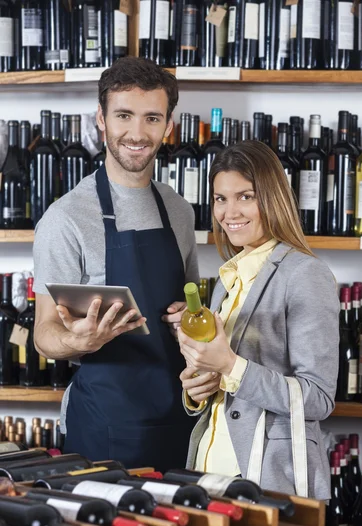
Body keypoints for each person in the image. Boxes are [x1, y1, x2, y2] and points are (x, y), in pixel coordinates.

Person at [33, 57, 198, 470]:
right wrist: (79, 342)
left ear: (169, 125)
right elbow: (44, 335)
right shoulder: (66, 218)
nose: (137, 133)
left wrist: (190, 320)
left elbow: (191, 308)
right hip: (104, 424)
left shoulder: (178, 210)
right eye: (124, 115)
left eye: (152, 118)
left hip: (180, 417)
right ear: (101, 120)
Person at [178, 140, 339, 499]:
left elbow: (318, 398)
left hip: (268, 479)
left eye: (245, 196)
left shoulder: (304, 275)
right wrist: (197, 389)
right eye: (220, 198)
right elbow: (224, 385)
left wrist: (231, 367)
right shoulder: (227, 280)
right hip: (208, 471)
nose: (229, 212)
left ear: (272, 197)